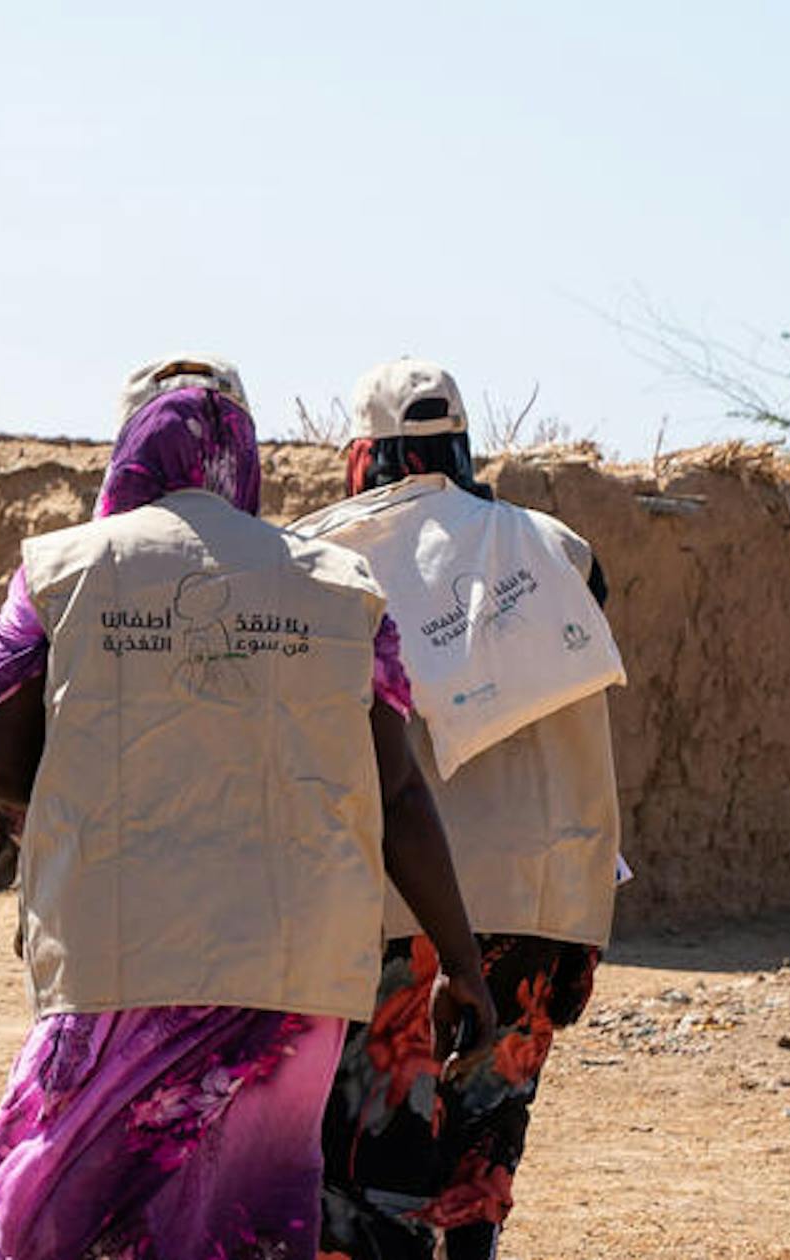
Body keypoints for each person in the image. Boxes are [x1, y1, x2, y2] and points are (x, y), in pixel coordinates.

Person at [0, 367, 503, 1260]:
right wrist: (464, 962)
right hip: (290, 969)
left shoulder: (59, 572)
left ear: (130, 458)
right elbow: (397, 793)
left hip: (116, 955)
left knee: (74, 1213)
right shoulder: (343, 588)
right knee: (243, 1213)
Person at [310, 359, 625, 1260]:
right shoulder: (560, 552)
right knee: (488, 1131)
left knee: (379, 1151)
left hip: (401, 906)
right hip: (541, 904)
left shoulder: (326, 558)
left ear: (367, 452)